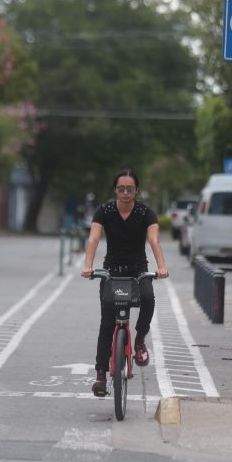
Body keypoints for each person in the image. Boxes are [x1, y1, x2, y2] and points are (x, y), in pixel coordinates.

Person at [81, 169, 169, 397]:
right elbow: (93, 238)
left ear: (136, 191)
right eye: (121, 188)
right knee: (107, 322)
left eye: (130, 188)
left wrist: (161, 267)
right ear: (115, 190)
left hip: (138, 271)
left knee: (148, 298)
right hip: (112, 272)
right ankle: (101, 374)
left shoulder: (146, 213)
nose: (125, 192)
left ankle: (139, 339)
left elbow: (154, 239)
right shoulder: (105, 211)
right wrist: (88, 265)